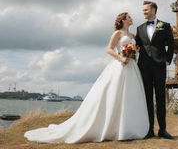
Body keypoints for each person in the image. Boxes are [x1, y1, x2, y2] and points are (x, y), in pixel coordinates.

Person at [24, 13, 149, 143]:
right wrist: (121, 57)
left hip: (132, 67)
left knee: (130, 96)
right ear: (123, 20)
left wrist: (134, 50)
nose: (131, 18)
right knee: (114, 94)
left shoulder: (133, 36)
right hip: (121, 65)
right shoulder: (117, 33)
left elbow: (137, 48)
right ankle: (110, 127)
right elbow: (109, 49)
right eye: (129, 17)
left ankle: (127, 128)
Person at [136, 1, 175, 139]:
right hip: (144, 67)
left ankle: (163, 130)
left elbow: (171, 44)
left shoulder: (165, 26)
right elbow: (137, 46)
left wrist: (167, 60)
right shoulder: (139, 28)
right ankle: (149, 129)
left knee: (160, 97)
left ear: (153, 10)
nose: (144, 12)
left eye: (146, 10)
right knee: (147, 98)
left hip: (159, 67)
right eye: (143, 10)